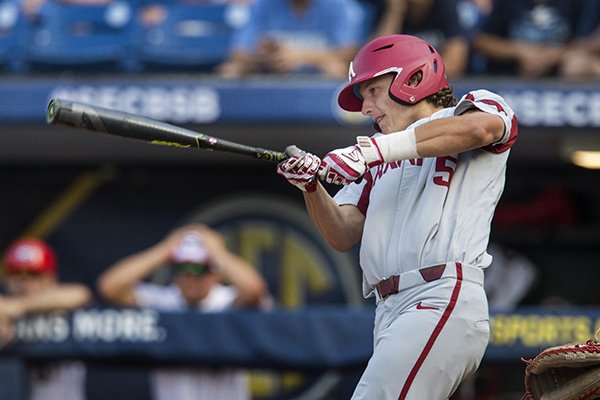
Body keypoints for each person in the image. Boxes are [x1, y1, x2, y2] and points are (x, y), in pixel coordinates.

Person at [276, 34, 518, 399]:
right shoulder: (378, 158)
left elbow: (481, 129)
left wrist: (372, 151)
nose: (365, 107)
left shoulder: (472, 108)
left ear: (413, 79)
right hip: (388, 311)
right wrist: (311, 187)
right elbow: (342, 232)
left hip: (439, 295)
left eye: (372, 90)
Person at [96, 223, 270, 400]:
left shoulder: (226, 300)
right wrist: (165, 249)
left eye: (199, 268)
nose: (190, 276)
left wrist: (218, 252)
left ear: (217, 273)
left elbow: (254, 290)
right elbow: (110, 287)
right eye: (182, 267)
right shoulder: (162, 301)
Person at [0, 237, 93, 400]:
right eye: (17, 274)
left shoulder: (62, 305)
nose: (25, 282)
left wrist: (17, 307)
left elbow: (81, 294)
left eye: (34, 274)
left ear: (51, 278)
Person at [217, 0, 366, 79]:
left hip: (316, 74)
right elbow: (238, 52)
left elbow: (348, 52)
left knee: (336, 68)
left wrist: (301, 57)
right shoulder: (264, 4)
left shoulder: (339, 5)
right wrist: (266, 56)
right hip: (271, 72)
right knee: (231, 70)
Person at [472, 0, 599, 77]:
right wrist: (519, 51)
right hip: (510, 77)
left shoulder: (578, 2)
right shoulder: (506, 2)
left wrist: (552, 55)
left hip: (561, 75)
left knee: (579, 65)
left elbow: (585, 42)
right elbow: (481, 40)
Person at [369, 0, 470, 77]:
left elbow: (455, 63)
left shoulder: (445, 6)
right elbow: (377, 60)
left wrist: (416, 78)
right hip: (396, 84)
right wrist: (395, 12)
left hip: (435, 84)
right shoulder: (390, 8)